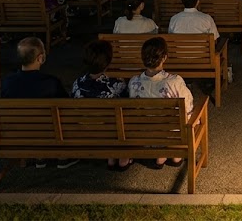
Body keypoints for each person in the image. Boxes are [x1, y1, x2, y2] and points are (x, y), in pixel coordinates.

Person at [1, 37, 74, 169]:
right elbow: (66, 105)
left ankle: (40, 155)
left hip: (16, 132)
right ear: (40, 58)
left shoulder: (7, 82)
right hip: (46, 131)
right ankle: (62, 155)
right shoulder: (51, 82)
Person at [128, 36, 193, 169]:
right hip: (170, 132)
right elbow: (188, 106)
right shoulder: (174, 81)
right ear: (164, 57)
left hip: (144, 131)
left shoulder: (134, 82)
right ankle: (173, 154)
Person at [70, 40, 131, 170]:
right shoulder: (117, 85)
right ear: (108, 61)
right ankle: (119, 155)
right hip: (110, 132)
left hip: (84, 130)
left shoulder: (77, 84)